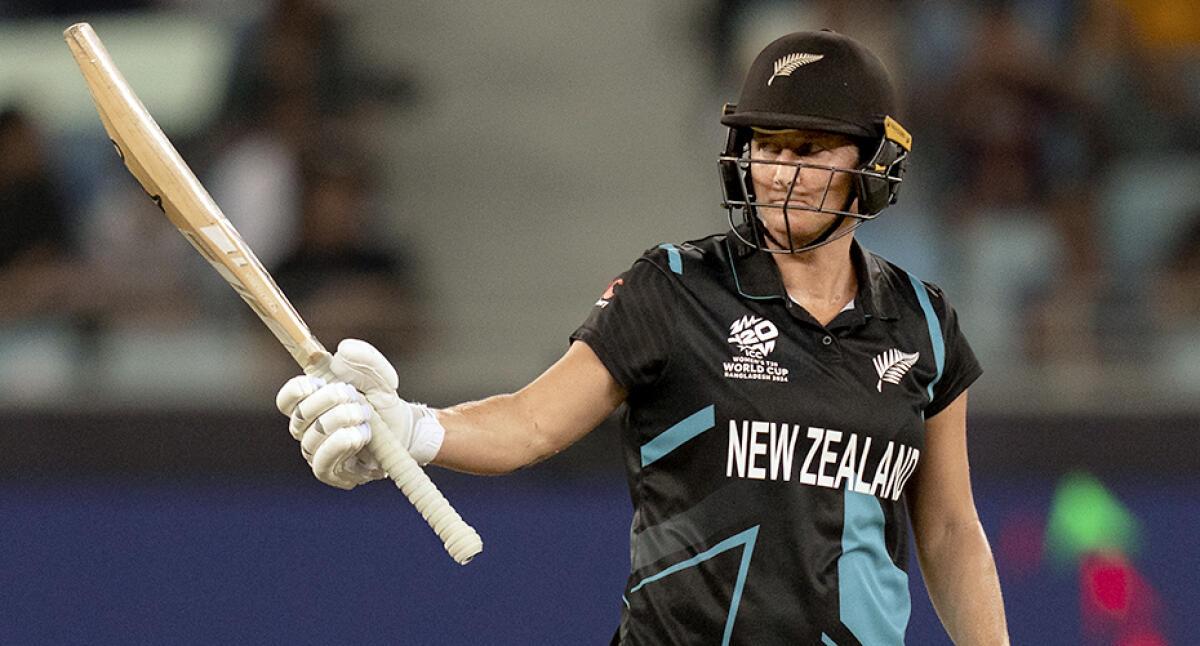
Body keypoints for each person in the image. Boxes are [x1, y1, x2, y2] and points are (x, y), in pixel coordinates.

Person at [275, 30, 1009, 645]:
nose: (781, 172)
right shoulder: (675, 288)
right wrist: (408, 426)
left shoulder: (922, 321)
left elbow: (947, 529)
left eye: (812, 149)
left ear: (872, 166)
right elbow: (530, 425)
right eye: (768, 145)